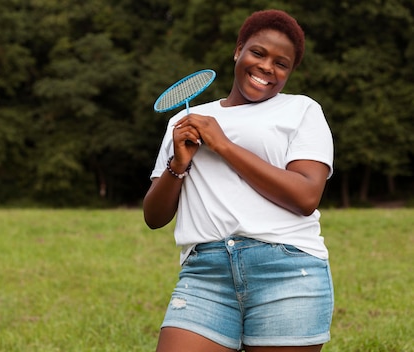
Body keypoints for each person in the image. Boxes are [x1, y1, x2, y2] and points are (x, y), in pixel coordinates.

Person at [143, 9, 334, 352]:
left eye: (281, 63)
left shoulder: (301, 110)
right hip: (205, 275)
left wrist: (224, 146)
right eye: (258, 53)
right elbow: (154, 218)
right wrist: (179, 163)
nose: (266, 67)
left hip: (286, 271)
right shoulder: (184, 122)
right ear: (238, 50)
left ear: (290, 72)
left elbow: (306, 196)